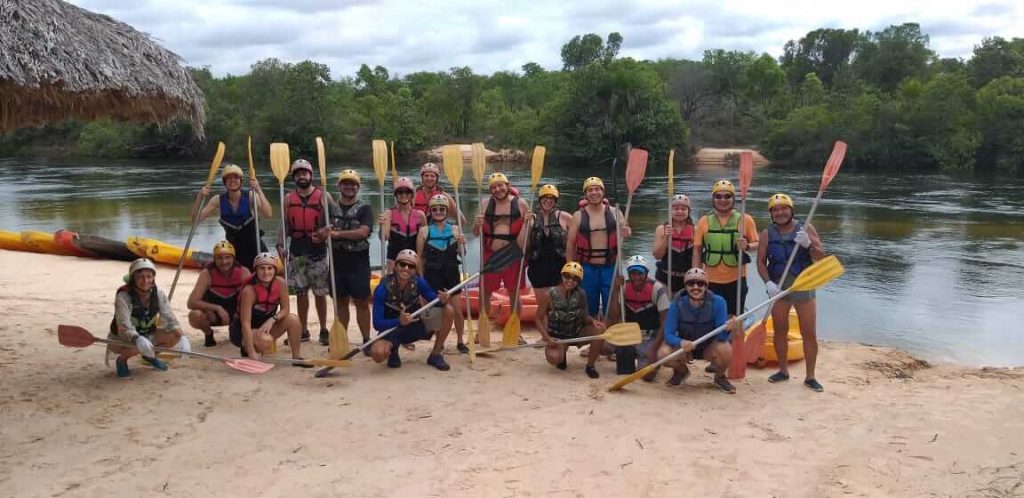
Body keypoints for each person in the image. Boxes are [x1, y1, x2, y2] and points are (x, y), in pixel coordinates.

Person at [756, 193, 827, 392]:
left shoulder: (806, 228)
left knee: (809, 333)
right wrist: (767, 282)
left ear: (790, 210)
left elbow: (821, 257)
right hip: (779, 288)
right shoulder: (766, 233)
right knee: (780, 330)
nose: (780, 213)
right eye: (775, 210)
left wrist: (809, 245)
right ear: (771, 213)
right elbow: (760, 261)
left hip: (803, 285)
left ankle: (810, 376)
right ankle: (783, 370)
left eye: (783, 208)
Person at [369, 249, 455, 371]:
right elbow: (377, 324)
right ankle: (393, 351)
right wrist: (399, 321)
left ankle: (435, 354)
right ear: (395, 266)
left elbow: (434, 301)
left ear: (415, 270)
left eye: (411, 266)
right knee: (378, 353)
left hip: (415, 324)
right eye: (402, 264)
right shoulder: (382, 289)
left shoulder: (418, 282)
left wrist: (443, 300)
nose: (406, 268)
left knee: (449, 310)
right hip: (391, 328)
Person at [659, 268, 740, 394]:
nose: (695, 287)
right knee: (663, 353)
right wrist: (681, 342)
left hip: (708, 347)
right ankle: (681, 371)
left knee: (726, 349)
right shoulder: (677, 303)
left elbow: (721, 337)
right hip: (686, 348)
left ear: (706, 286)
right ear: (685, 286)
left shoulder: (718, 302)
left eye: (700, 284)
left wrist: (728, 329)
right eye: (691, 283)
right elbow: (668, 334)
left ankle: (719, 377)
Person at [277, 158, 330, 343]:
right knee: (301, 294)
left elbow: (335, 220)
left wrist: (324, 232)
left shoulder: (323, 195)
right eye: (298, 173)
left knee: (320, 293)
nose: (301, 176)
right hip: (297, 251)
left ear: (311, 175)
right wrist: (280, 244)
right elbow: (284, 224)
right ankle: (303, 330)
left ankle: (324, 329)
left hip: (318, 252)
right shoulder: (288, 198)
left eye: (304, 173)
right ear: (294, 177)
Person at [108, 258, 189, 378]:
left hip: (147, 334)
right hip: (123, 337)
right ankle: (122, 360)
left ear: (153, 278)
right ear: (133, 279)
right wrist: (138, 338)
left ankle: (149, 356)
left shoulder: (158, 293)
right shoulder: (123, 296)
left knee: (174, 335)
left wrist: (182, 337)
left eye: (149, 276)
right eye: (140, 277)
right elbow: (123, 325)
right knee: (139, 346)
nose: (145, 280)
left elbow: (169, 318)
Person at [691, 179, 758, 316]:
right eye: (718, 196)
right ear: (713, 199)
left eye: (727, 196)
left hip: (737, 279)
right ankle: (715, 338)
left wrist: (748, 246)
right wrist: (696, 274)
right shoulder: (704, 221)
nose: (723, 200)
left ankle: (735, 337)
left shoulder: (746, 219)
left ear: (733, 199)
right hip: (710, 280)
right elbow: (697, 250)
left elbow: (757, 244)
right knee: (710, 316)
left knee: (734, 317)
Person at [566, 177, 630, 316]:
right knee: (589, 305)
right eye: (590, 190)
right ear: (585, 194)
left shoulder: (616, 212)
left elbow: (624, 234)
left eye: (597, 189)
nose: (594, 193)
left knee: (613, 303)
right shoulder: (577, 216)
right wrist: (569, 268)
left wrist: (627, 232)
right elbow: (571, 244)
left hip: (611, 267)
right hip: (587, 268)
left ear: (603, 192)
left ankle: (612, 326)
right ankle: (593, 329)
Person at [230, 252, 308, 365]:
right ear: (256, 271)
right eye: (262, 268)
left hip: (265, 326)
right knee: (265, 341)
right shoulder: (249, 291)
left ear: (275, 270)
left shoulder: (281, 284)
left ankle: (296, 358)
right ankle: (248, 349)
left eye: (269, 268)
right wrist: (252, 352)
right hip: (241, 330)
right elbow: (245, 323)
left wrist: (272, 320)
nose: (266, 272)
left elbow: (285, 310)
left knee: (293, 319)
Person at [473, 172, 530, 324]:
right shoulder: (484, 204)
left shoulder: (521, 204)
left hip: (513, 255)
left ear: (507, 186)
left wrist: (528, 222)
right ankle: (482, 327)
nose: (497, 189)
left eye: (500, 185)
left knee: (514, 293)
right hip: (491, 254)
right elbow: (475, 233)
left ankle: (515, 327)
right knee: (485, 292)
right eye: (493, 187)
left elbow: (527, 236)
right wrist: (477, 224)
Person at [326, 169, 375, 347]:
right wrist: (321, 233)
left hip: (358, 263)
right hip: (337, 262)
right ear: (339, 186)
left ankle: (366, 339)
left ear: (358, 187)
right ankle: (342, 340)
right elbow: (320, 231)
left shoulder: (365, 209)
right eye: (346, 183)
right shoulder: (330, 208)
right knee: (340, 302)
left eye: (353, 184)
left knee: (362, 302)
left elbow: (363, 232)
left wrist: (338, 235)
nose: (349, 187)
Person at [193, 164, 273, 269]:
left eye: (236, 178)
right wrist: (200, 197)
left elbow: (268, 214)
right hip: (234, 250)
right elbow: (195, 220)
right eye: (229, 178)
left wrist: (258, 190)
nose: (232, 180)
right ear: (224, 182)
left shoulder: (250, 196)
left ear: (241, 181)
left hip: (255, 248)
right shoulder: (217, 200)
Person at [535, 262, 607, 379]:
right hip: (558, 336)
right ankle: (562, 355)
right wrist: (547, 338)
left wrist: (593, 321)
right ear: (562, 276)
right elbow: (538, 318)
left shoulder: (582, 294)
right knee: (555, 358)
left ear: (579, 281)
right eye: (567, 276)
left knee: (600, 331)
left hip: (576, 332)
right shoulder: (548, 295)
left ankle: (590, 366)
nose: (570, 281)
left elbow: (584, 316)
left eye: (575, 279)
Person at [416, 194, 469, 353]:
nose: (438, 212)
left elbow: (463, 253)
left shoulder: (455, 229)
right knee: (439, 311)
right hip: (433, 275)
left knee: (457, 310)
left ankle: (460, 341)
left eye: (441, 209)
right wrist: (421, 279)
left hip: (451, 274)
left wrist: (461, 244)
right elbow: (419, 257)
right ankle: (441, 339)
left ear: (446, 211)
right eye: (435, 209)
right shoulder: (424, 231)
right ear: (430, 211)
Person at [609, 255, 670, 380]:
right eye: (633, 273)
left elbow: (665, 322)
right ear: (628, 274)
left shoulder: (657, 289)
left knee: (648, 376)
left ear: (647, 273)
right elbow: (614, 317)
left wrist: (654, 348)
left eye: (640, 273)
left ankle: (650, 357)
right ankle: (631, 354)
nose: (636, 277)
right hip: (630, 335)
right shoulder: (623, 287)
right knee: (604, 347)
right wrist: (615, 290)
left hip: (649, 336)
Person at [186, 240, 251, 347]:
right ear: (214, 259)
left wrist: (239, 313)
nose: (224, 261)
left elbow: (252, 298)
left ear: (233, 258)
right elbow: (191, 302)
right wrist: (215, 308)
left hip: (236, 313)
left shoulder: (243, 272)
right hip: (213, 314)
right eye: (219, 258)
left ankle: (239, 330)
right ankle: (208, 333)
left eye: (227, 257)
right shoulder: (207, 274)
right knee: (194, 315)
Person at [526, 184, 572, 310]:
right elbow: (522, 244)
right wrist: (526, 224)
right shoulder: (532, 219)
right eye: (545, 198)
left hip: (559, 269)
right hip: (537, 269)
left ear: (555, 201)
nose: (548, 200)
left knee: (559, 306)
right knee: (543, 307)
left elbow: (577, 239)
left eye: (551, 198)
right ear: (540, 200)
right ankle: (545, 329)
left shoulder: (565, 217)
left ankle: (558, 328)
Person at [379, 177, 427, 274]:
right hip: (394, 260)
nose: (404, 195)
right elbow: (384, 237)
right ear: (396, 195)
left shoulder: (420, 215)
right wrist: (381, 226)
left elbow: (424, 241)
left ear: (411, 194)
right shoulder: (389, 213)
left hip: (413, 259)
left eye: (407, 192)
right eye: (400, 192)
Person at [653, 194, 695, 295]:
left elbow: (698, 257)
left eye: (683, 209)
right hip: (665, 277)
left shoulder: (695, 230)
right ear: (670, 211)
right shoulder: (661, 229)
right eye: (676, 208)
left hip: (686, 278)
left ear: (688, 211)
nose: (679, 211)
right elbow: (657, 256)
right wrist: (666, 238)